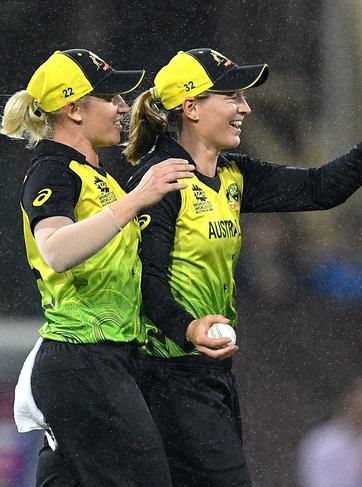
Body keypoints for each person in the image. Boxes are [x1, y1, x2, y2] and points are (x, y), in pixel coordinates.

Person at [124, 47, 362, 486]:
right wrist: (188, 328)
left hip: (210, 372)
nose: (245, 107)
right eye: (232, 96)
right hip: (166, 373)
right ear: (192, 107)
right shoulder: (159, 181)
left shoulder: (233, 174)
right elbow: (145, 285)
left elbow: (319, 189)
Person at [2, 49, 194, 486]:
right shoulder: (52, 170)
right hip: (83, 362)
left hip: (98, 363)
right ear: (73, 109)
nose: (123, 108)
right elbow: (55, 249)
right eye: (111, 98)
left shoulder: (97, 176)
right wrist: (136, 200)